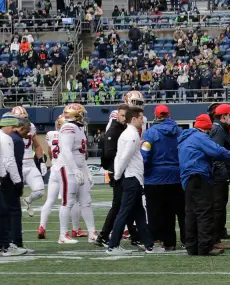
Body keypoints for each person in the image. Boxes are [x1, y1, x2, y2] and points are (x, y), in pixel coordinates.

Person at [178, 114, 230, 256]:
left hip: (187, 178)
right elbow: (216, 150)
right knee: (204, 212)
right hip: (199, 176)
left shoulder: (186, 137)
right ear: (206, 128)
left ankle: (192, 246)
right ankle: (205, 246)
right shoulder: (200, 137)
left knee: (191, 213)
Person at [107, 106, 163, 254]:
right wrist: (117, 176)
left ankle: (148, 244)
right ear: (133, 118)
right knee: (124, 212)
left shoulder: (129, 134)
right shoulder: (131, 135)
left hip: (133, 178)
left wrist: (118, 174)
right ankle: (113, 245)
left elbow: (121, 157)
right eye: (140, 118)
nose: (142, 120)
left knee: (139, 213)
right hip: (132, 178)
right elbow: (124, 157)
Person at [141, 104, 185, 251]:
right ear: (169, 115)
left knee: (155, 212)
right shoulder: (179, 132)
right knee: (174, 212)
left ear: (156, 116)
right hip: (176, 176)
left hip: (155, 178)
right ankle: (172, 242)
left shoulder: (150, 133)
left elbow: (145, 155)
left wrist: (144, 171)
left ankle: (156, 240)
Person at [97, 105, 138, 248]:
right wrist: (121, 160)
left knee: (126, 204)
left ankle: (134, 235)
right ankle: (104, 235)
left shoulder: (123, 129)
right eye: (122, 115)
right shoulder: (114, 131)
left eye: (125, 115)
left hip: (121, 170)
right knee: (119, 205)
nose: (124, 118)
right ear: (117, 116)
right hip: (117, 171)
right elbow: (109, 153)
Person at [57, 103, 97, 244]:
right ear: (76, 115)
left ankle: (92, 233)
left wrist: (87, 172)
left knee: (86, 201)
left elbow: (80, 155)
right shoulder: (68, 127)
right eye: (82, 114)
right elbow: (66, 151)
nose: (84, 116)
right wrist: (74, 169)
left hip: (79, 168)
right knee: (68, 202)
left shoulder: (78, 128)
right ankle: (63, 235)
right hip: (68, 168)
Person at [209, 103, 230, 250]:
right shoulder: (218, 131)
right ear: (224, 117)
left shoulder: (220, 129)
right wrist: (222, 174)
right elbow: (217, 153)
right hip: (218, 175)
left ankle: (218, 235)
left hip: (220, 174)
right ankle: (215, 239)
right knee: (218, 207)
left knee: (219, 206)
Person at [0, 114, 26, 256]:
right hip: (4, 178)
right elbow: (9, 161)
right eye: (13, 127)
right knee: (4, 212)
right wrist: (17, 181)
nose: (13, 130)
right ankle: (4, 245)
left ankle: (4, 245)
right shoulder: (6, 138)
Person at [11, 107, 44, 219]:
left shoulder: (31, 127)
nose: (23, 121)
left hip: (30, 163)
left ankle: (28, 201)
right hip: (15, 165)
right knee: (12, 197)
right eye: (20, 119)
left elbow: (37, 145)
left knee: (39, 191)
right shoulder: (8, 130)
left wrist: (41, 161)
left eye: (24, 118)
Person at [38, 115, 66, 239]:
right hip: (65, 168)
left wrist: (53, 160)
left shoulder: (50, 134)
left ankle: (42, 226)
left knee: (49, 201)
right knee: (70, 201)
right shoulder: (70, 133)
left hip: (54, 168)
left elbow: (49, 151)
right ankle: (71, 230)